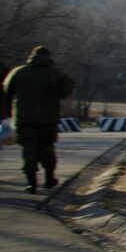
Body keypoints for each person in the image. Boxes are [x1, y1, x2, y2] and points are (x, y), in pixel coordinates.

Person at [2, 46, 75, 194]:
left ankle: (31, 183)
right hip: (48, 119)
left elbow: (6, 89)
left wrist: (9, 110)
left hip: (24, 119)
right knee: (47, 147)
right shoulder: (56, 73)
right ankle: (49, 178)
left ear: (32, 56)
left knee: (28, 150)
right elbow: (66, 90)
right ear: (48, 57)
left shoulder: (19, 72)